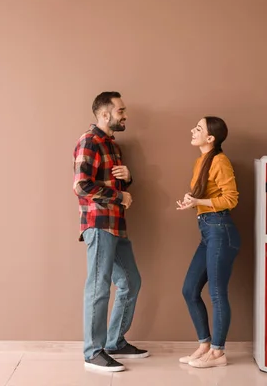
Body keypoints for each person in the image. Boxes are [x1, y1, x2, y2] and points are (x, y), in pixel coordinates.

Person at [73, 91, 149, 372]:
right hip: (99, 225)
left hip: (116, 225)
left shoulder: (113, 146)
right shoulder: (89, 141)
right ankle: (93, 352)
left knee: (131, 282)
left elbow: (114, 186)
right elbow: (81, 186)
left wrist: (127, 180)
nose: (124, 114)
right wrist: (120, 197)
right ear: (104, 114)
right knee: (98, 287)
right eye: (120, 110)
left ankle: (115, 341)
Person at [176, 116, 241, 368]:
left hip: (221, 230)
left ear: (211, 138)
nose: (193, 130)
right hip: (208, 230)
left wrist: (199, 203)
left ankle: (218, 353)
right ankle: (204, 345)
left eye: (199, 129)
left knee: (216, 293)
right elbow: (205, 195)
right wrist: (191, 202)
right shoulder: (201, 161)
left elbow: (231, 199)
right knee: (189, 290)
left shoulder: (221, 161)